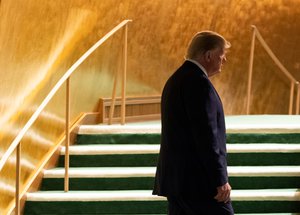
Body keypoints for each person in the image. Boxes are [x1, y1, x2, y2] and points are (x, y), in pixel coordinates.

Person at [153, 31, 234, 215]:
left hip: (179, 182)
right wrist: (220, 179)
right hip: (199, 183)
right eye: (222, 56)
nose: (224, 61)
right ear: (208, 55)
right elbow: (206, 136)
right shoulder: (199, 83)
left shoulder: (177, 79)